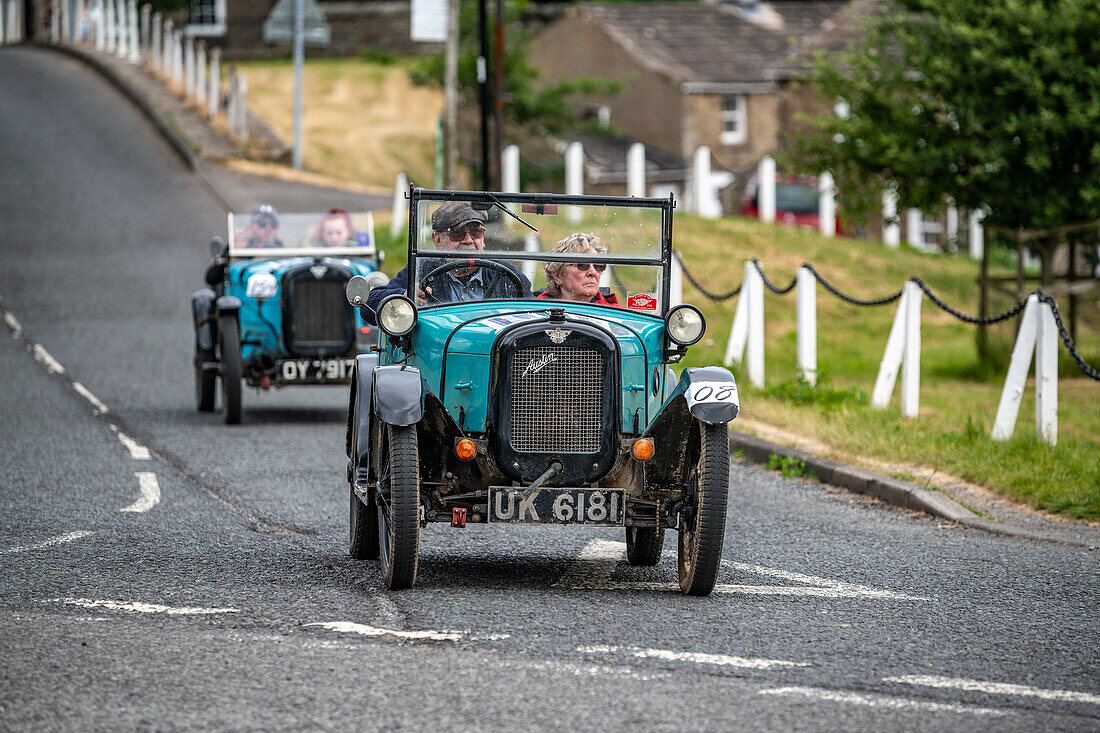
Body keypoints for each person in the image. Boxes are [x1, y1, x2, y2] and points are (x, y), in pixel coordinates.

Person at [366, 201, 532, 311]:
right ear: (437, 240)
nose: (468, 240)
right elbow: (371, 304)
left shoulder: (504, 274)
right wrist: (404, 297)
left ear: (483, 237)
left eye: (476, 232)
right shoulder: (422, 269)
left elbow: (533, 308)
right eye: (457, 234)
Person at [538, 232, 619, 306]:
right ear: (558, 276)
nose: (593, 272)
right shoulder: (534, 312)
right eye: (582, 265)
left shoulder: (618, 316)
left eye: (598, 266)